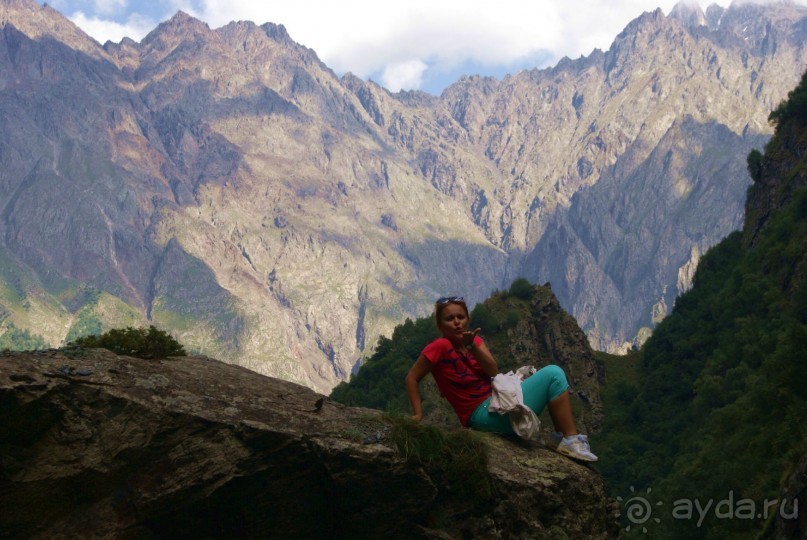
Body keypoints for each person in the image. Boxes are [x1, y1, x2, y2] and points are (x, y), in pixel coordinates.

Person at [404, 296, 597, 462]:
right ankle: (570, 439)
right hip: (480, 414)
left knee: (550, 377)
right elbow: (412, 377)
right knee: (554, 374)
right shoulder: (439, 346)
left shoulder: (475, 342)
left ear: (467, 320)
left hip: (495, 403)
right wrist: (418, 415)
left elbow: (492, 371)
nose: (456, 322)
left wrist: (472, 347)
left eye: (460, 317)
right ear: (440, 325)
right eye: (449, 319)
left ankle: (560, 439)